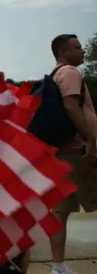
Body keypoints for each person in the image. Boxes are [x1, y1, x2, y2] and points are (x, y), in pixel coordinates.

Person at [47, 34, 97, 274]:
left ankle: (58, 267)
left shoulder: (55, 74)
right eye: (77, 47)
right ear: (63, 52)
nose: (82, 51)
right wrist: (90, 139)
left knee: (60, 210)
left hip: (62, 152)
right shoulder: (70, 73)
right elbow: (70, 106)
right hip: (80, 151)